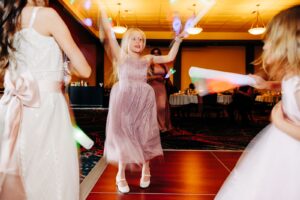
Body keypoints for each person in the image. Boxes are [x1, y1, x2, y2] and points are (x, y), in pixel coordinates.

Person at [0, 0, 91, 199]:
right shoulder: (47, 15)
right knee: (52, 173)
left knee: (21, 170)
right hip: (46, 107)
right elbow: (85, 69)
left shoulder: (7, 20)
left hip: (12, 108)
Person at [215, 5, 300, 200]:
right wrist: (267, 84)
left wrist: (281, 124)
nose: (264, 47)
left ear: (287, 44)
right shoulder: (293, 76)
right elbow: (288, 84)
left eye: (268, 41)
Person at [98, 3, 184, 193]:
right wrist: (104, 16)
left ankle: (146, 168)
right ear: (127, 41)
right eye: (135, 39)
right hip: (125, 98)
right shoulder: (120, 57)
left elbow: (169, 56)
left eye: (142, 39)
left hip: (144, 99)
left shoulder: (147, 59)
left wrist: (177, 40)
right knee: (124, 134)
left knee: (144, 133)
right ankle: (120, 173)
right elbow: (110, 38)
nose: (139, 42)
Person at [147, 48, 173, 132]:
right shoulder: (148, 64)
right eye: (154, 54)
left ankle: (164, 125)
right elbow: (145, 78)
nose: (156, 55)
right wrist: (156, 77)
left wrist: (166, 77)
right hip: (152, 87)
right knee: (154, 107)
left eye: (158, 53)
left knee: (162, 107)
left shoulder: (163, 64)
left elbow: (168, 74)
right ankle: (157, 127)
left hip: (161, 87)